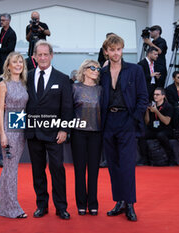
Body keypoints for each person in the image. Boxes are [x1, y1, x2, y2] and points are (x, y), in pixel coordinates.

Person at [100, 34, 148, 222]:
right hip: (108, 121)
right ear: (106, 52)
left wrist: (134, 118)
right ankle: (119, 201)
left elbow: (143, 97)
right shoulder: (102, 73)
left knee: (127, 165)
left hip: (127, 121)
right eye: (112, 50)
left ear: (122, 49)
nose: (116, 53)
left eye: (118, 49)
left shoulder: (135, 70)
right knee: (113, 165)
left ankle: (130, 204)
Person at [25, 40, 72, 220]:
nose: (43, 58)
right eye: (40, 55)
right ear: (35, 57)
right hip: (33, 133)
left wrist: (64, 129)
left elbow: (67, 107)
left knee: (57, 169)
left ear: (51, 56)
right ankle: (42, 205)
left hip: (55, 134)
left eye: (46, 54)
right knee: (38, 171)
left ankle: (61, 207)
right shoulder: (27, 76)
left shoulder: (62, 78)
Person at [0, 52, 28, 219]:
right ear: (8, 66)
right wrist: (2, 134)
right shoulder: (3, 84)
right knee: (11, 169)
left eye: (20, 62)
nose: (18, 64)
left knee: (10, 169)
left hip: (21, 129)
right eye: (15, 62)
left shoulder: (24, 84)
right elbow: (0, 111)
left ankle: (1, 205)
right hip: (9, 129)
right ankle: (11, 207)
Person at [71, 60, 102, 216]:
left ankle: (93, 203)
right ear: (84, 70)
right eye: (93, 68)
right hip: (78, 133)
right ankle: (81, 204)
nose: (96, 70)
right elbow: (68, 110)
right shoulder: (74, 88)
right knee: (80, 170)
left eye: (98, 68)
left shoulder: (101, 90)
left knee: (94, 171)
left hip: (96, 133)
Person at [138, 87, 177, 166]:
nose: (155, 96)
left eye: (157, 94)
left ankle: (171, 158)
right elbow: (147, 122)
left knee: (161, 135)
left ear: (163, 96)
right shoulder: (152, 106)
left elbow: (166, 122)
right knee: (141, 135)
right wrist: (147, 111)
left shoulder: (168, 106)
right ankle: (145, 159)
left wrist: (156, 111)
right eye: (154, 94)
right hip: (153, 129)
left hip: (165, 129)